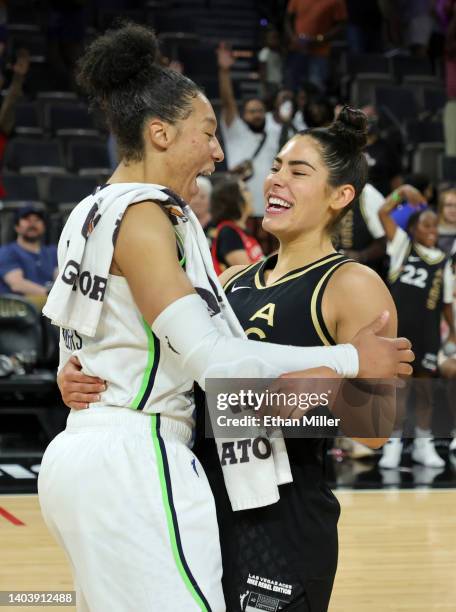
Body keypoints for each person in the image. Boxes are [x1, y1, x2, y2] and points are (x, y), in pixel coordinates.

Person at [58, 104, 414, 612]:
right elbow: (174, 364)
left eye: (298, 171)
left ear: (341, 196)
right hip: (201, 500)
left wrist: (249, 402)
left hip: (281, 519)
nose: (276, 180)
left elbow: (376, 424)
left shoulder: (352, 284)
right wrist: (81, 375)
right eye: (275, 167)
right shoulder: (229, 282)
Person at [378, 184, 455, 469]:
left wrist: (453, 334)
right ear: (414, 228)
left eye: (435, 224)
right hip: (400, 332)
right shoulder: (402, 246)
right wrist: (403, 193)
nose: (433, 229)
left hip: (428, 333)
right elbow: (383, 211)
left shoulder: (445, 262)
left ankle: (423, 443)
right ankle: (393, 444)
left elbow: (446, 303)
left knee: (424, 391)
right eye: (426, 224)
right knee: (399, 390)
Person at [0, 205, 57, 296]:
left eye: (37, 220)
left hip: (51, 307)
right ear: (16, 227)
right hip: (21, 308)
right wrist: (51, 295)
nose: (32, 224)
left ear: (44, 227)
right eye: (27, 219)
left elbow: (62, 278)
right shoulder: (6, 252)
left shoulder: (53, 252)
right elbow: (17, 284)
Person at [210, 178, 263, 273]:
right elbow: (250, 274)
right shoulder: (228, 233)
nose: (251, 194)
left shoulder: (241, 230)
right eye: (245, 190)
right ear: (233, 199)